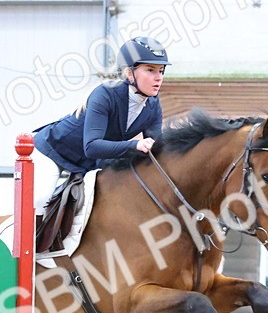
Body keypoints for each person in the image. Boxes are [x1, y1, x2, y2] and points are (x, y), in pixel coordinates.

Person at [30, 36, 170, 253]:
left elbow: (156, 151)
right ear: (129, 72)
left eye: (161, 71)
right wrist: (133, 146)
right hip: (51, 152)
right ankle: (15, 261)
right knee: (40, 199)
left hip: (90, 164)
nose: (158, 77)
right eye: (150, 70)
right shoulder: (105, 94)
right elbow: (92, 146)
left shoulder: (153, 105)